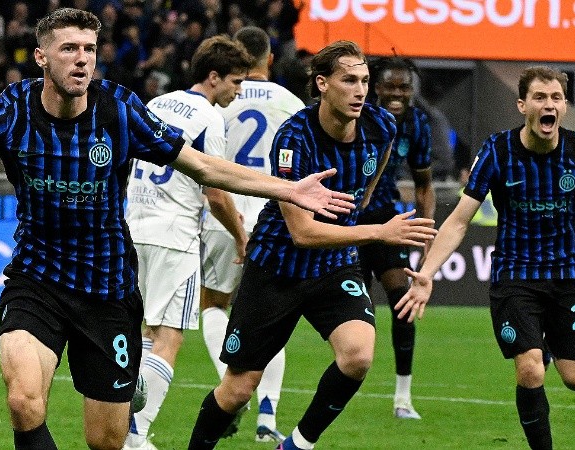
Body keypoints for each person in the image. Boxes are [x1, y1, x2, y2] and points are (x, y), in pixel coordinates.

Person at [0, 8, 353, 450]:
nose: (82, 59)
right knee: (23, 401)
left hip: (107, 290)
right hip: (36, 280)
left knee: (106, 441)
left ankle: (129, 385)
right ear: (42, 57)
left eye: (90, 50)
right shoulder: (12, 109)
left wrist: (287, 189)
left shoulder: (119, 110)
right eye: (69, 49)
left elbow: (205, 167)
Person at [186, 40, 437, 450]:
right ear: (322, 84)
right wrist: (377, 231)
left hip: (333, 266)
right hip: (277, 268)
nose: (360, 90)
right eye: (349, 80)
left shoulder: (380, 126)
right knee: (237, 390)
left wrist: (361, 217)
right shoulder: (294, 137)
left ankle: (297, 445)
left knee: (357, 356)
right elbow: (303, 232)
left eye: (364, 81)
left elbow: (365, 192)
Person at [397, 66, 575, 450]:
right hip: (515, 276)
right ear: (522, 105)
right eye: (540, 97)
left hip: (568, 274)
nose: (549, 104)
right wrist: (427, 272)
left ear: (564, 106)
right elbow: (459, 221)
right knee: (529, 370)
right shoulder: (497, 151)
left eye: (556, 98)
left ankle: (547, 348)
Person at [122, 35, 252, 450]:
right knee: (170, 337)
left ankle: (128, 429)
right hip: (174, 236)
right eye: (235, 81)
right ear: (213, 77)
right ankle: (134, 435)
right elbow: (215, 193)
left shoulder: (156, 103)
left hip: (133, 227)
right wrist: (240, 236)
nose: (238, 91)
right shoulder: (209, 118)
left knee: (147, 330)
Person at [198, 25, 305, 443]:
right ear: (270, 59)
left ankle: (230, 392)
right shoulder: (292, 103)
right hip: (275, 216)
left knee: (212, 305)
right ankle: (267, 412)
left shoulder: (220, 99)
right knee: (272, 314)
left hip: (224, 213)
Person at [357, 57, 435, 419]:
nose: (397, 94)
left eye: (404, 87)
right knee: (354, 309)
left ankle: (403, 399)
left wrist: (427, 231)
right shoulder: (360, 117)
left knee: (403, 303)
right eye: (390, 86)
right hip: (350, 223)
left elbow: (424, 185)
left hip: (387, 222)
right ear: (376, 88)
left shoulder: (417, 123)